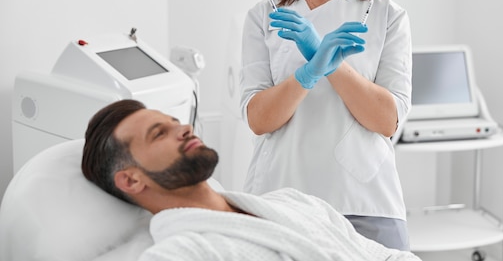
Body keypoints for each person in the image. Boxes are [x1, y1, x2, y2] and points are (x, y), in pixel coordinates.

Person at [240, 0, 412, 250]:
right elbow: (258, 120)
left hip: (365, 201)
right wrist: (308, 72)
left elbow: (387, 120)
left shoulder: (385, 15)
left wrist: (332, 65)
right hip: (281, 200)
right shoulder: (264, 16)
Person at [81, 99, 421, 261]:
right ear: (131, 180)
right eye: (159, 134)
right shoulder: (181, 254)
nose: (183, 128)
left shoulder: (293, 203)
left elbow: (388, 258)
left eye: (175, 121)